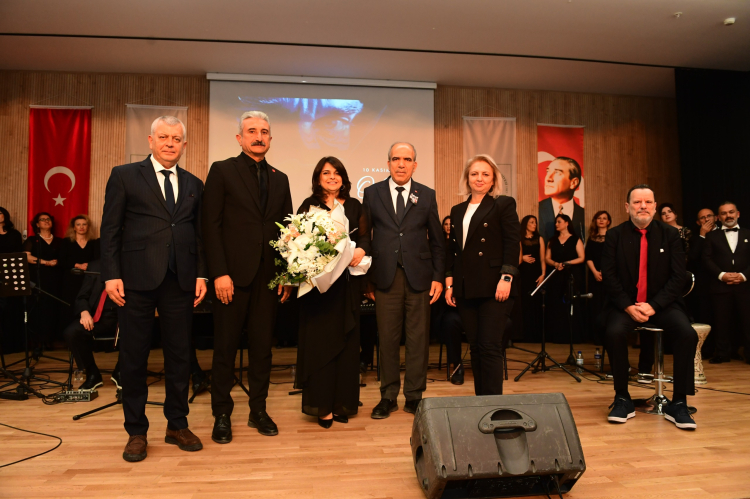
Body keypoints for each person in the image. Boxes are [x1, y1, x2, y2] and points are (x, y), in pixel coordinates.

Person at [100, 115, 207, 462]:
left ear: (184, 144)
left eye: (176, 138)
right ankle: (136, 432)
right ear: (150, 140)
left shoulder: (194, 183)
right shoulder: (124, 176)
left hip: (180, 281)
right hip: (135, 282)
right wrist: (111, 275)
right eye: (163, 137)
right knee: (134, 358)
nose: (170, 143)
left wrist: (202, 275)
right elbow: (110, 229)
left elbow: (199, 235)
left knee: (180, 356)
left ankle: (177, 424)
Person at [202, 111, 293, 443]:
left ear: (270, 139)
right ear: (240, 138)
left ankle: (258, 410)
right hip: (231, 278)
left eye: (264, 132)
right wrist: (219, 273)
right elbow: (210, 226)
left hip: (268, 279)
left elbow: (286, 232)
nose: (259, 136)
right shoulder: (222, 170)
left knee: (262, 349)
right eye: (252, 131)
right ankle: (222, 414)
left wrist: (285, 274)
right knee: (225, 348)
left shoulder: (280, 178)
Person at [601, 184, 697, 430]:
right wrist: (628, 306)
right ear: (627, 207)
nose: (642, 206)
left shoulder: (671, 235)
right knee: (613, 332)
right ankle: (622, 397)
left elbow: (679, 277)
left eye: (647, 202)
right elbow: (609, 277)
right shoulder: (614, 236)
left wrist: (654, 306)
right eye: (637, 202)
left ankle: (679, 402)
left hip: (663, 304)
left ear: (654, 207)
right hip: (626, 305)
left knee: (687, 334)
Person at [363, 142, 445, 418]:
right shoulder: (372, 193)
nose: (401, 164)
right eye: (396, 159)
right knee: (386, 339)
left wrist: (438, 277)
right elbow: (365, 237)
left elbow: (437, 241)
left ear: (414, 165)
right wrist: (367, 279)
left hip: (420, 278)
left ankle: (414, 396)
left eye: (407, 159)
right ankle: (387, 396)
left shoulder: (427, 194)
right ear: (388, 163)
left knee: (418, 339)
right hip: (384, 277)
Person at [294, 157, 370, 428]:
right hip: (318, 290)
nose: (332, 177)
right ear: (318, 177)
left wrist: (361, 249)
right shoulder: (309, 205)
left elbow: (365, 237)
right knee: (320, 347)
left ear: (344, 178)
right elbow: (298, 241)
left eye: (337, 173)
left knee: (346, 345)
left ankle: (341, 404)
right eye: (326, 172)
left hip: (346, 287)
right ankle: (322, 405)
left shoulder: (355, 205)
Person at [445, 154, 520, 395]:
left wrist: (506, 277)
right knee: (476, 348)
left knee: (489, 346)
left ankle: (493, 404)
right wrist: (450, 285)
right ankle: (481, 403)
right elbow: (454, 251)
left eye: (485, 174)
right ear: (467, 178)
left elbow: (512, 243)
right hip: (466, 287)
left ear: (493, 179)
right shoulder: (457, 210)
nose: (479, 178)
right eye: (474, 173)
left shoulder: (503, 204)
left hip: (495, 285)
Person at [702, 202, 750, 364]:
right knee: (721, 322)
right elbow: (706, 259)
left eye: (731, 212)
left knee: (747, 321)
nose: (728, 216)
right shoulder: (711, 236)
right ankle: (723, 353)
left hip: (745, 286)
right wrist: (721, 275)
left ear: (738, 214)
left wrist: (743, 276)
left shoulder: (748, 234)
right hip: (720, 286)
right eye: (724, 213)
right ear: (718, 217)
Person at [62, 260, 118, 391]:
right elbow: (82, 297)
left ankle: (121, 371)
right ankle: (92, 372)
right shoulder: (95, 266)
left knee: (139, 329)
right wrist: (84, 312)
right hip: (97, 317)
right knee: (72, 332)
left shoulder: (132, 264)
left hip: (123, 318)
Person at [430, 215, 464, 384]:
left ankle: (484, 363)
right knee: (450, 322)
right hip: (451, 303)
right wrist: (450, 288)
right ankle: (456, 365)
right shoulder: (444, 248)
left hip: (474, 301)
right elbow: (446, 271)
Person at [24, 212, 63, 346]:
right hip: (38, 279)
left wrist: (57, 262)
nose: (46, 221)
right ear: (37, 224)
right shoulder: (32, 240)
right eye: (42, 219)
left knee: (53, 309)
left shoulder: (59, 241)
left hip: (56, 279)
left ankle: (51, 340)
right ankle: (37, 342)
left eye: (48, 219)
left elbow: (65, 258)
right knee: (38, 309)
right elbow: (26, 256)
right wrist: (45, 262)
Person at [544, 214, 585, 343]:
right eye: (556, 222)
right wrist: (555, 264)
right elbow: (547, 258)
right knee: (556, 304)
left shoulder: (575, 239)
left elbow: (581, 257)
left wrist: (567, 263)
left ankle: (573, 336)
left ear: (567, 223)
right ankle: (557, 336)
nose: (556, 224)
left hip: (571, 275)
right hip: (556, 275)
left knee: (571, 302)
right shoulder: (552, 240)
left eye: (559, 222)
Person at [59, 215, 100, 325]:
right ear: (74, 227)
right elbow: (61, 261)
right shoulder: (66, 242)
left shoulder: (94, 242)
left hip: (88, 279)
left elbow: (97, 260)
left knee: (86, 303)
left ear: (88, 227)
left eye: (84, 224)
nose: (81, 227)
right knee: (70, 304)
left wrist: (89, 265)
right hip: (70, 279)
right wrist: (77, 265)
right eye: (78, 224)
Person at [538, 157, 586, 244]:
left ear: (573, 183)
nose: (548, 178)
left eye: (557, 173)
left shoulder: (583, 215)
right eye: (548, 171)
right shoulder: (537, 209)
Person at [585, 211, 611, 346]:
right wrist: (595, 272)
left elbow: (615, 257)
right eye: (599, 218)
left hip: (609, 276)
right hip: (594, 275)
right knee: (595, 306)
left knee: (607, 305)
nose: (601, 220)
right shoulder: (592, 238)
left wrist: (606, 272)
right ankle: (596, 337)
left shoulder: (613, 237)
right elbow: (588, 257)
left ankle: (608, 336)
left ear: (608, 222)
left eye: (604, 218)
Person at [518, 215, 545, 343]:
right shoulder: (520, 238)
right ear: (525, 224)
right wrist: (523, 258)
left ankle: (536, 335)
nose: (534, 225)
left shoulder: (539, 239)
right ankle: (524, 334)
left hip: (536, 273)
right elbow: (517, 256)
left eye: (535, 222)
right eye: (532, 222)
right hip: (523, 273)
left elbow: (542, 258)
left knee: (536, 302)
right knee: (524, 302)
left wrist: (543, 274)